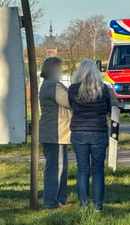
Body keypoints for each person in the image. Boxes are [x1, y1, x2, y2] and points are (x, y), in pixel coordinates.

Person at [68, 59, 111, 212]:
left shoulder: (73, 89)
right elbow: (109, 107)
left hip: (79, 131)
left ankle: (83, 206)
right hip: (98, 131)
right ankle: (98, 207)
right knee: (98, 170)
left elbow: (72, 106)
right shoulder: (103, 89)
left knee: (82, 170)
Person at [39, 57, 71, 209]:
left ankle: (59, 199)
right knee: (56, 167)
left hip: (55, 132)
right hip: (55, 133)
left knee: (59, 166)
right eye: (59, 68)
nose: (61, 70)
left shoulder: (49, 84)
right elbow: (69, 101)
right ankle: (52, 201)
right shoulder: (53, 85)